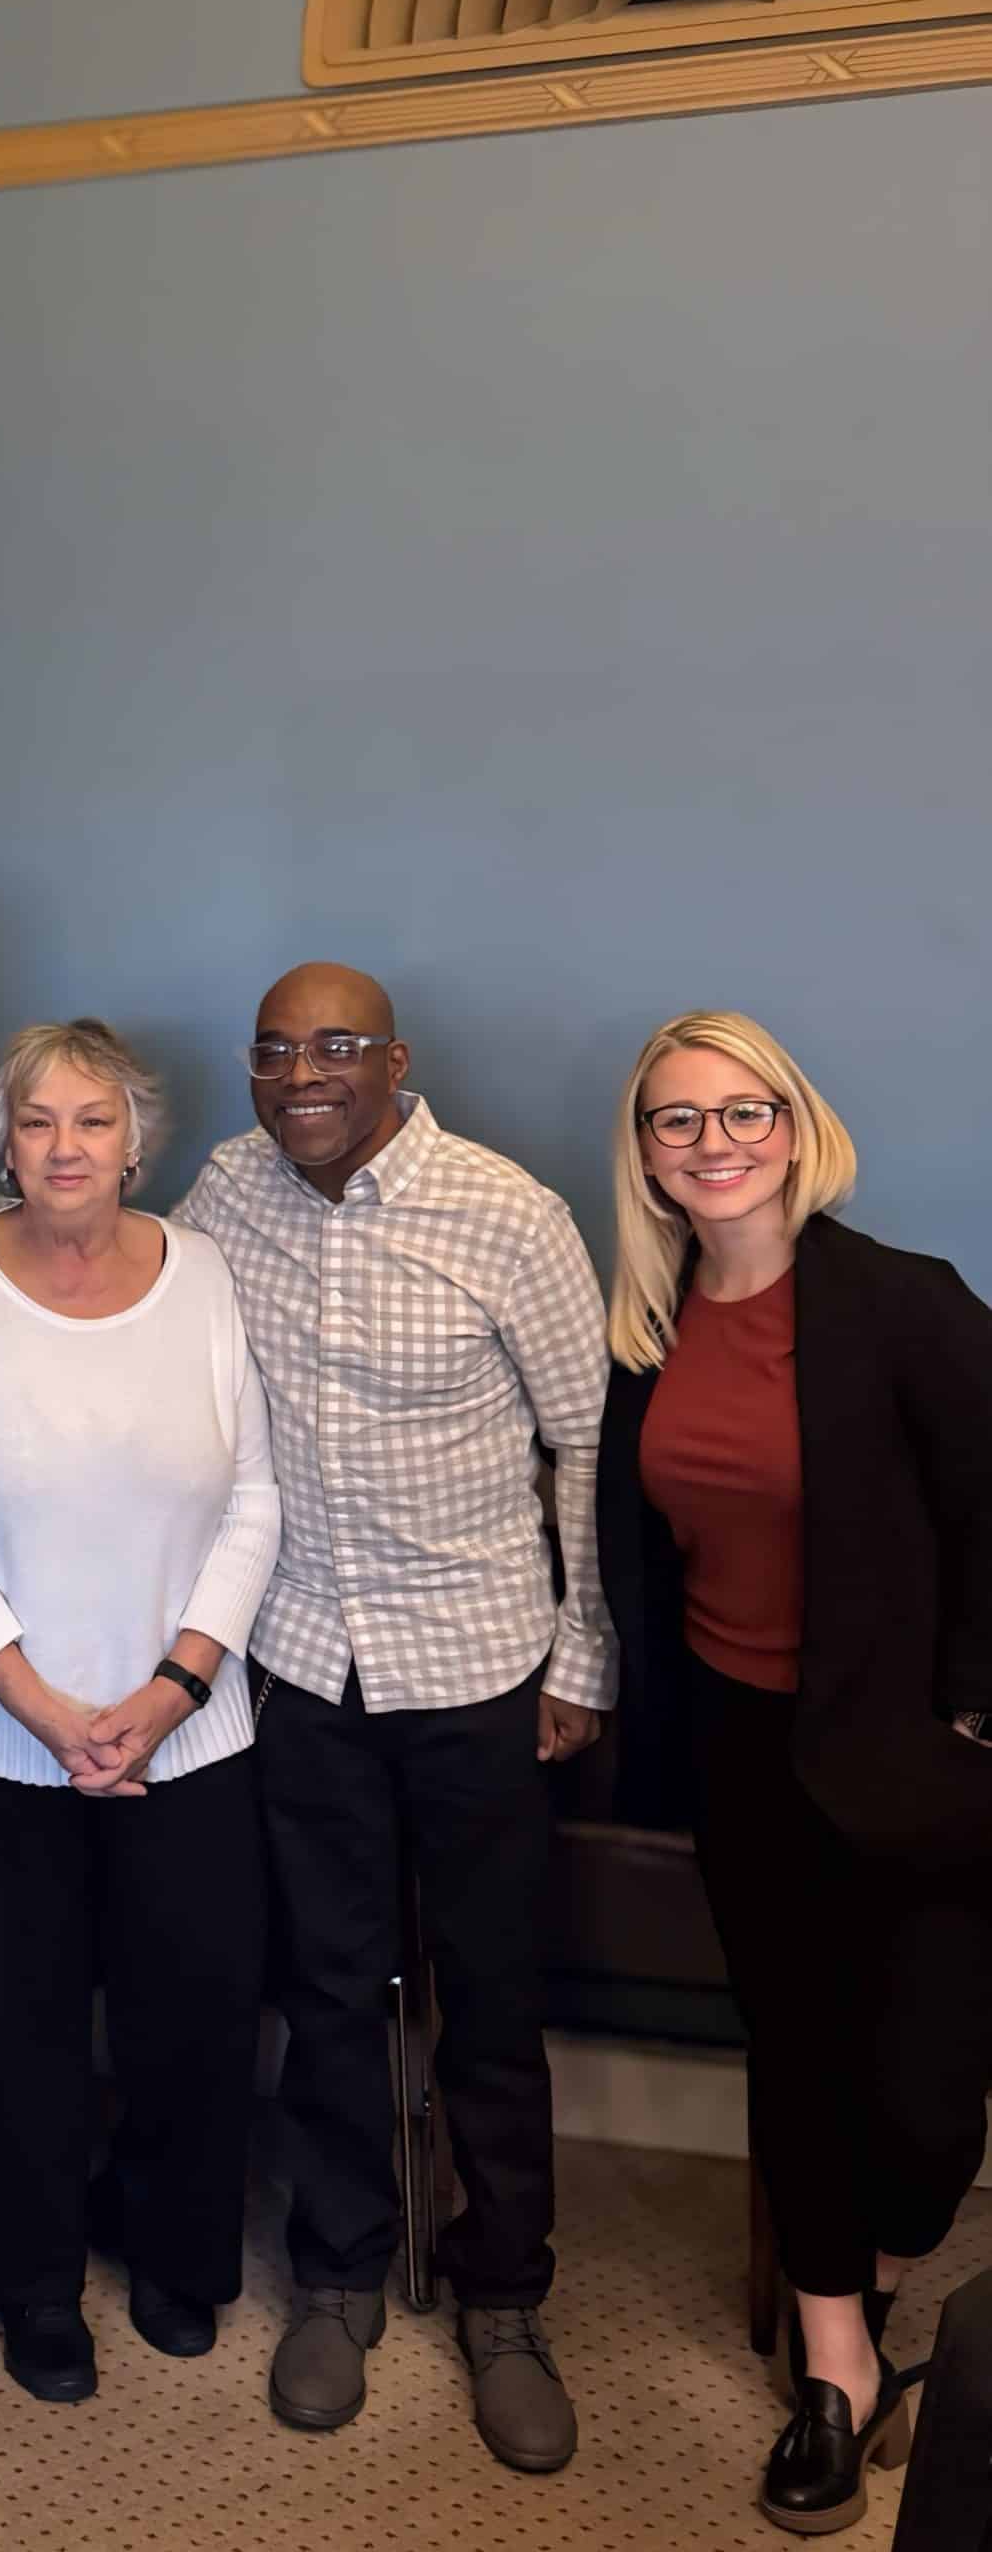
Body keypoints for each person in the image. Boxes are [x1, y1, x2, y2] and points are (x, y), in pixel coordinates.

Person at [176, 961, 613, 2476]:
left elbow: (583, 1445)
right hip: (302, 1663)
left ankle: (506, 2299)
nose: (303, 1075)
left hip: (480, 1665)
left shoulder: (508, 1214)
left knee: (491, 1997)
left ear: (397, 1062)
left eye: (337, 1046)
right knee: (327, 1988)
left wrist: (584, 1659)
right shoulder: (225, 1192)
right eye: (274, 1051)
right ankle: (340, 2273)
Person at [597, 1009, 992, 2535]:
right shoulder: (645, 1327)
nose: (714, 1143)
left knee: (928, 2100)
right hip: (741, 1750)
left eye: (741, 1110)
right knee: (804, 2056)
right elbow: (638, 1553)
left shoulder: (902, 1303)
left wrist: (975, 1719)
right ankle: (835, 2368)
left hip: (916, 1755)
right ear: (647, 1154)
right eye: (677, 1119)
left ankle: (873, 2282)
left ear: (793, 1125)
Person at [0, 1020, 279, 2403]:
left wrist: (175, 1688)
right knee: (13, 2017)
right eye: (38, 1120)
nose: (65, 1147)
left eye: (93, 1121)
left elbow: (255, 1499)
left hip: (189, 1725)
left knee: (194, 2008)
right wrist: (33, 1700)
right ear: (6, 1142)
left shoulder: (204, 1274)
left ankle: (174, 2251)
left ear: (135, 1143)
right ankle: (32, 2277)